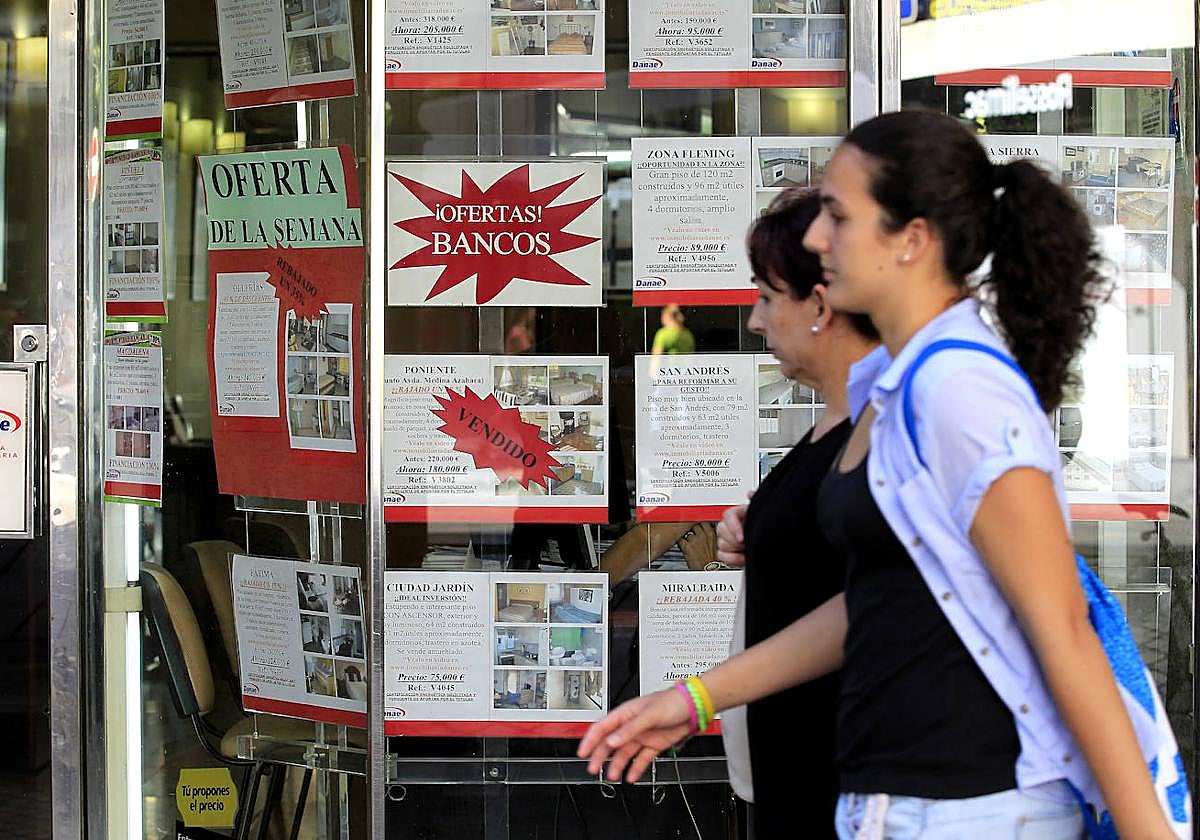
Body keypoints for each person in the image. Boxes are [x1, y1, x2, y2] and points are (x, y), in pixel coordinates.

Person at [578, 110, 1181, 839]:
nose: (814, 238)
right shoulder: (898, 388)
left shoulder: (960, 389)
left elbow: (1063, 629)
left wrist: (1146, 827)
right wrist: (696, 699)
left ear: (912, 240)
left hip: (977, 809)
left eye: (838, 214)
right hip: (895, 805)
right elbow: (885, 597)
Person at [720, 188, 881, 836]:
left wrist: (695, 698)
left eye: (766, 296)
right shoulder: (834, 425)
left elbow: (871, 602)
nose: (756, 320)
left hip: (837, 783)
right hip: (794, 775)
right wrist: (758, 532)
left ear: (820, 304)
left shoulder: (882, 430)